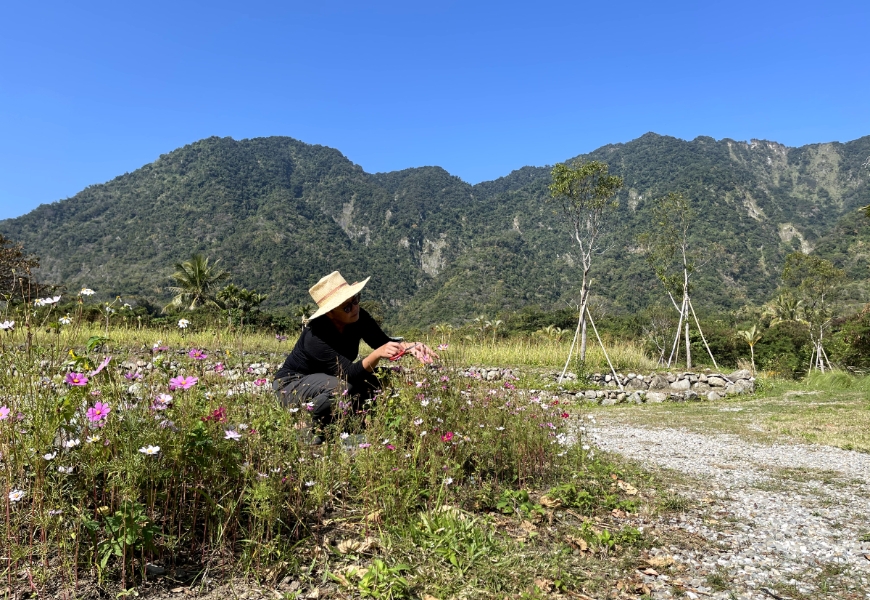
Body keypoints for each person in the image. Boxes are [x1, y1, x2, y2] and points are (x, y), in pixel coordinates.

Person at [272, 271, 437, 440]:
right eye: (346, 307)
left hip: (328, 381)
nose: (355, 308)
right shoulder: (315, 337)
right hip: (292, 386)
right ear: (330, 313)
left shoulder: (359, 318)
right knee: (342, 389)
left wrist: (410, 347)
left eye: (356, 300)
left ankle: (349, 423)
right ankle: (304, 421)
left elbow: (382, 342)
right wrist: (377, 354)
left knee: (382, 378)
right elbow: (350, 373)